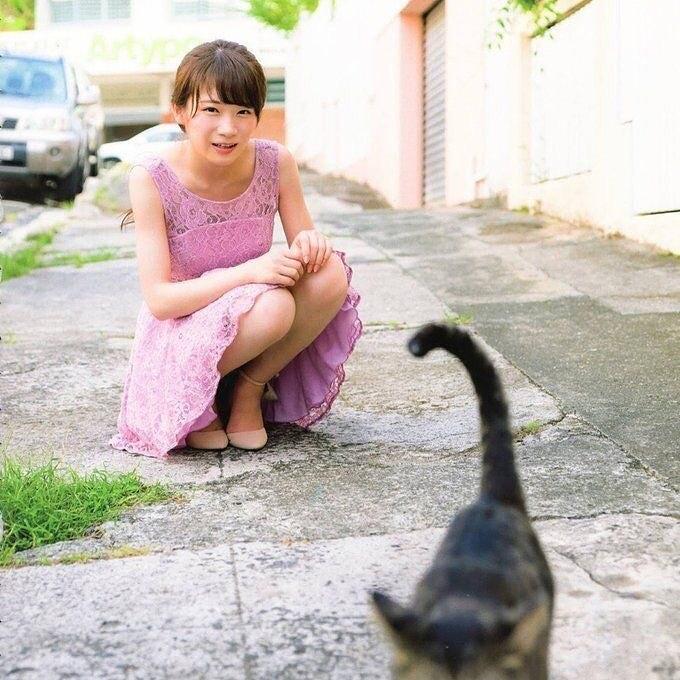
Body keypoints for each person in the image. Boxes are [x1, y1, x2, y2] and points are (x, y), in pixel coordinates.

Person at [109, 40, 362, 459]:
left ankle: (247, 389)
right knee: (275, 304)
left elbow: (305, 244)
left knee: (330, 271)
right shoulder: (151, 178)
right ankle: (198, 399)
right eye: (211, 110)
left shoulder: (275, 162)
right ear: (180, 112)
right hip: (182, 332)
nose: (228, 128)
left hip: (252, 320)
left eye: (243, 112)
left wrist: (312, 243)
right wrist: (249, 273)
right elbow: (160, 301)